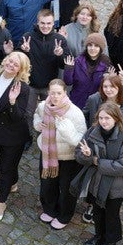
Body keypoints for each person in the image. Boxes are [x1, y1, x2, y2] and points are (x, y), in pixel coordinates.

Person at [74, 103, 123, 245]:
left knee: (111, 215)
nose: (103, 121)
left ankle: (110, 243)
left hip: (115, 187)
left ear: (116, 118)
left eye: (107, 118)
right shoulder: (92, 132)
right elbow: (79, 153)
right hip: (96, 182)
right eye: (101, 118)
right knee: (98, 212)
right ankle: (99, 236)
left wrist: (96, 161)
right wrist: (87, 156)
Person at [0, 52, 35, 222]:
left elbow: (19, 117)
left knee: (4, 168)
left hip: (13, 136)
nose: (11, 65)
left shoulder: (22, 88)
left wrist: (13, 102)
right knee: (8, 164)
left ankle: (1, 203)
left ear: (21, 70)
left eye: (16, 65)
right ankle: (12, 185)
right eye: (10, 61)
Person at [33, 79, 87, 230]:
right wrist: (38, 124)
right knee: (47, 185)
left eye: (59, 93)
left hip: (68, 158)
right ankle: (50, 209)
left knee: (66, 190)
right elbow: (36, 116)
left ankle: (64, 215)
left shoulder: (75, 112)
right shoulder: (44, 106)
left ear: (65, 93)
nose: (55, 96)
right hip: (48, 153)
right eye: (52, 93)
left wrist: (66, 131)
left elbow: (81, 140)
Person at [20, 9, 70, 101]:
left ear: (53, 24)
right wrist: (25, 52)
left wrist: (60, 55)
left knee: (50, 113)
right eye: (42, 23)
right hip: (29, 84)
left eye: (48, 23)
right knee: (27, 114)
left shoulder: (60, 39)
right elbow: (18, 62)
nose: (45, 26)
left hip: (50, 87)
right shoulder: (27, 37)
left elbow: (66, 65)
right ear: (37, 23)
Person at [63, 33, 112, 108]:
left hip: (96, 105)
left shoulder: (106, 63)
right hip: (77, 102)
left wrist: (109, 78)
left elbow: (108, 87)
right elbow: (68, 82)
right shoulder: (77, 61)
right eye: (90, 45)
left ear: (101, 48)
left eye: (96, 46)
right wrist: (69, 69)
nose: (92, 48)